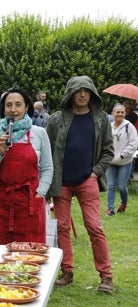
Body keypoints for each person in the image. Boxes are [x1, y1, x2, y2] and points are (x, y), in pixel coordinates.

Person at [45, 75, 114, 293]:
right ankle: (67, 271)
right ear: (70, 94)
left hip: (87, 180)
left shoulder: (102, 119)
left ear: (92, 94)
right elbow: (46, 151)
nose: (82, 94)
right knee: (62, 228)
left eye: (86, 91)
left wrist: (95, 173)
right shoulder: (56, 120)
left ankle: (106, 276)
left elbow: (108, 151)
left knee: (94, 227)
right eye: (78, 91)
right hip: (61, 183)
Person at [0, 87, 53, 244]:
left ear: (27, 107)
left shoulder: (39, 133)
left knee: (30, 254)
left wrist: (40, 193)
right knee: (0, 254)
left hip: (29, 202)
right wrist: (0, 154)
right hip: (1, 202)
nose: (13, 109)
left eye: (18, 104)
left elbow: (47, 168)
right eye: (8, 105)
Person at [105, 103, 138, 215]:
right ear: (113, 113)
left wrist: (124, 154)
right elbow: (105, 143)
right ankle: (110, 208)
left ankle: (123, 203)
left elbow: (134, 144)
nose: (120, 114)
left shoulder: (129, 126)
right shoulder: (109, 127)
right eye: (117, 112)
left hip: (125, 161)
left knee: (122, 186)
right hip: (111, 161)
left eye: (122, 112)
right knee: (111, 185)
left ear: (125, 114)